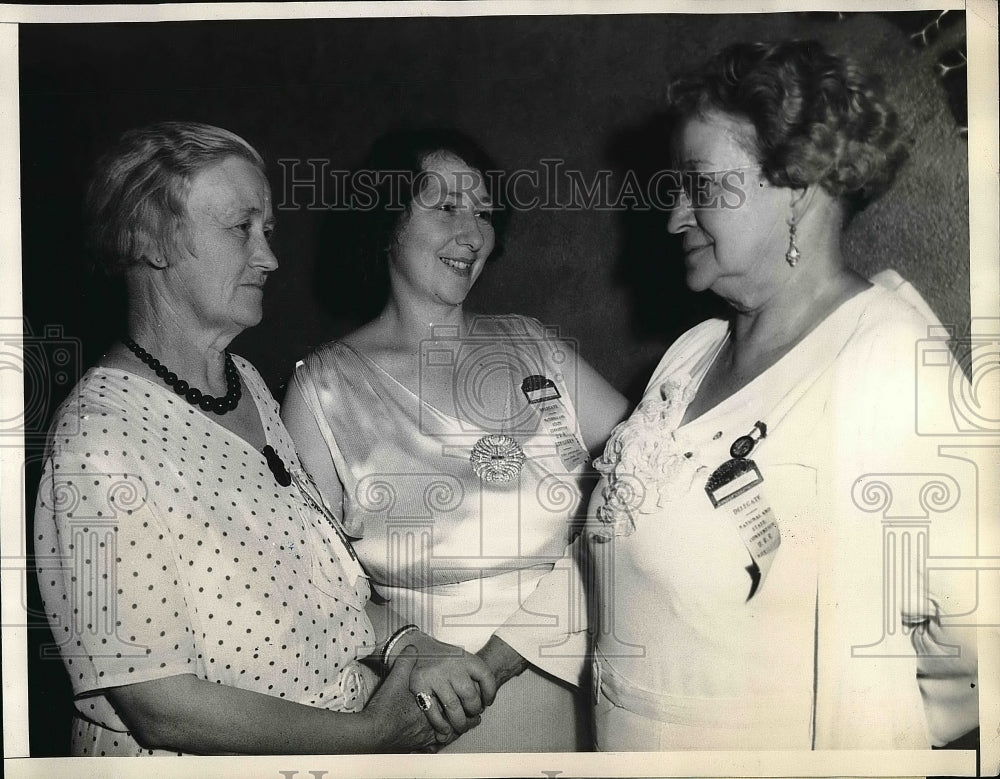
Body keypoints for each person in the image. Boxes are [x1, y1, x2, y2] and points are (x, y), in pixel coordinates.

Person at [487, 39, 980, 751]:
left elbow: (977, 641)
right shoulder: (692, 355)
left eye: (702, 185)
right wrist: (487, 661)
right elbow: (620, 548)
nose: (674, 217)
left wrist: (836, 725)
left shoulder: (887, 361)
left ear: (800, 185)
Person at [33, 121, 494, 756]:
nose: (269, 256)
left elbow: (316, 596)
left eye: (268, 230)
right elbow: (160, 706)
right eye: (240, 227)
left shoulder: (245, 383)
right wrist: (370, 734)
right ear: (151, 240)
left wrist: (406, 643)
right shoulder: (97, 440)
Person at [281, 128, 631, 751]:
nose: (472, 234)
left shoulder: (536, 345)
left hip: (576, 679)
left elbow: (645, 485)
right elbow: (306, 585)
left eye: (485, 214)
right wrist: (405, 645)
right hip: (430, 705)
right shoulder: (321, 391)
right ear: (387, 219)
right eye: (446, 207)